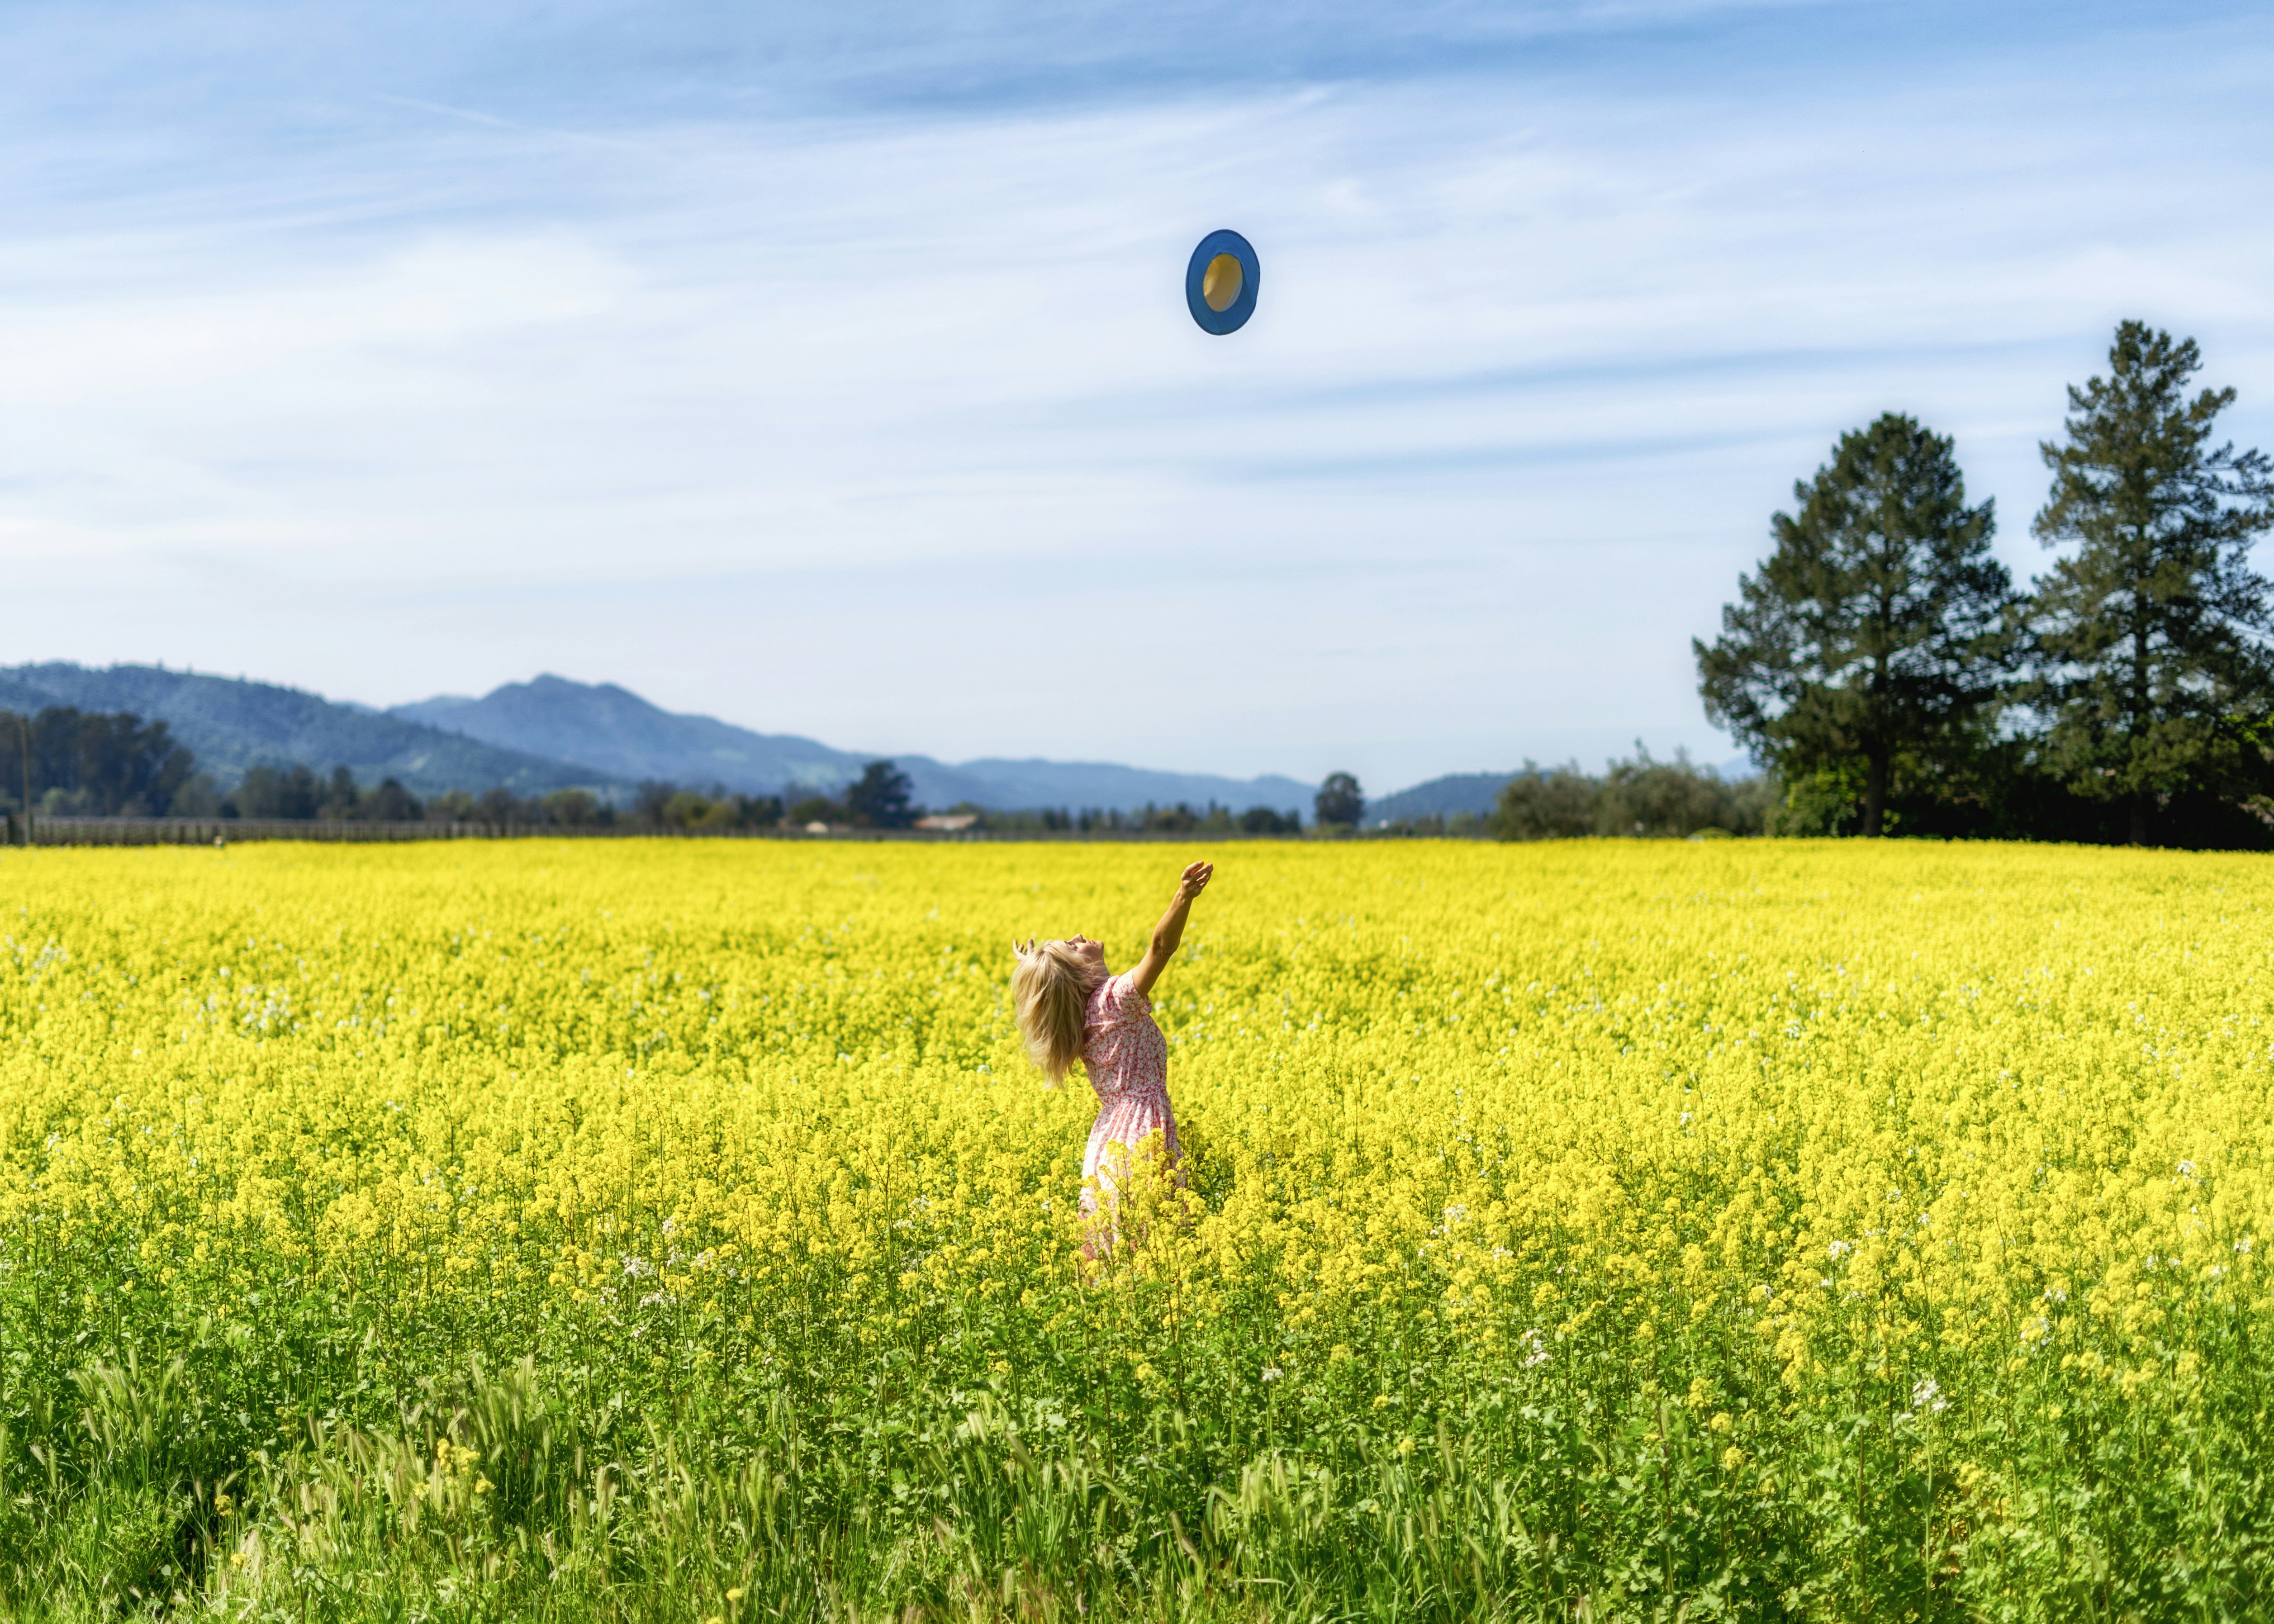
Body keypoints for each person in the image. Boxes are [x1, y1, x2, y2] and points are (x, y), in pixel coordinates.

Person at [1012, 861, 1214, 1237]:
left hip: (1110, 1136)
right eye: (1071, 946)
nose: (1077, 936)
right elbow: (1161, 948)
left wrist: (1032, 962)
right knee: (1156, 1236)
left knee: (1122, 1238)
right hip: (1142, 1129)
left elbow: (1055, 986)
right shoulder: (1114, 1001)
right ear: (1077, 972)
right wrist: (1183, 897)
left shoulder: (1079, 1016)